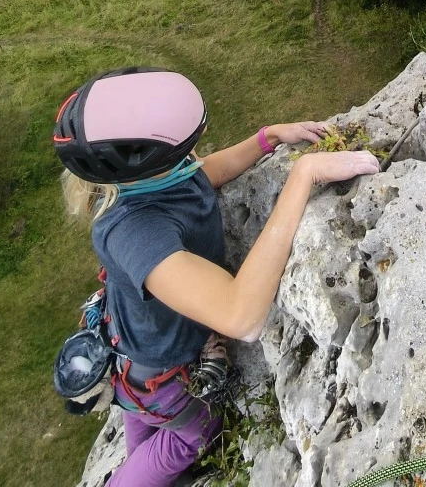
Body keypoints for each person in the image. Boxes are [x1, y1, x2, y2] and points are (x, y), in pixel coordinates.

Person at [53, 67, 379, 487]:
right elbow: (241, 315)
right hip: (160, 371)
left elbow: (202, 173)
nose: (191, 157)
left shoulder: (151, 178)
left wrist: (268, 138)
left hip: (138, 349)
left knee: (143, 423)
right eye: (181, 151)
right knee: (192, 433)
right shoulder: (135, 232)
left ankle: (138, 446)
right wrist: (303, 176)